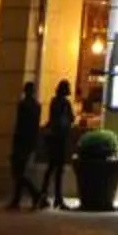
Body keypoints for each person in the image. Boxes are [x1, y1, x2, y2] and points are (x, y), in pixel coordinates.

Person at [7, 80, 46, 210]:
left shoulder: (23, 105)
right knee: (20, 171)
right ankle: (19, 199)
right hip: (29, 142)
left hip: (21, 142)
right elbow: (35, 127)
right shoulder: (37, 106)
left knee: (18, 173)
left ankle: (35, 194)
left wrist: (15, 142)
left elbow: (19, 125)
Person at [40, 79, 76, 210]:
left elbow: (53, 119)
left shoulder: (54, 101)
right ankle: (57, 198)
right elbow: (71, 118)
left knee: (51, 168)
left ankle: (45, 196)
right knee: (58, 169)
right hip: (60, 138)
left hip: (54, 138)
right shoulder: (65, 103)